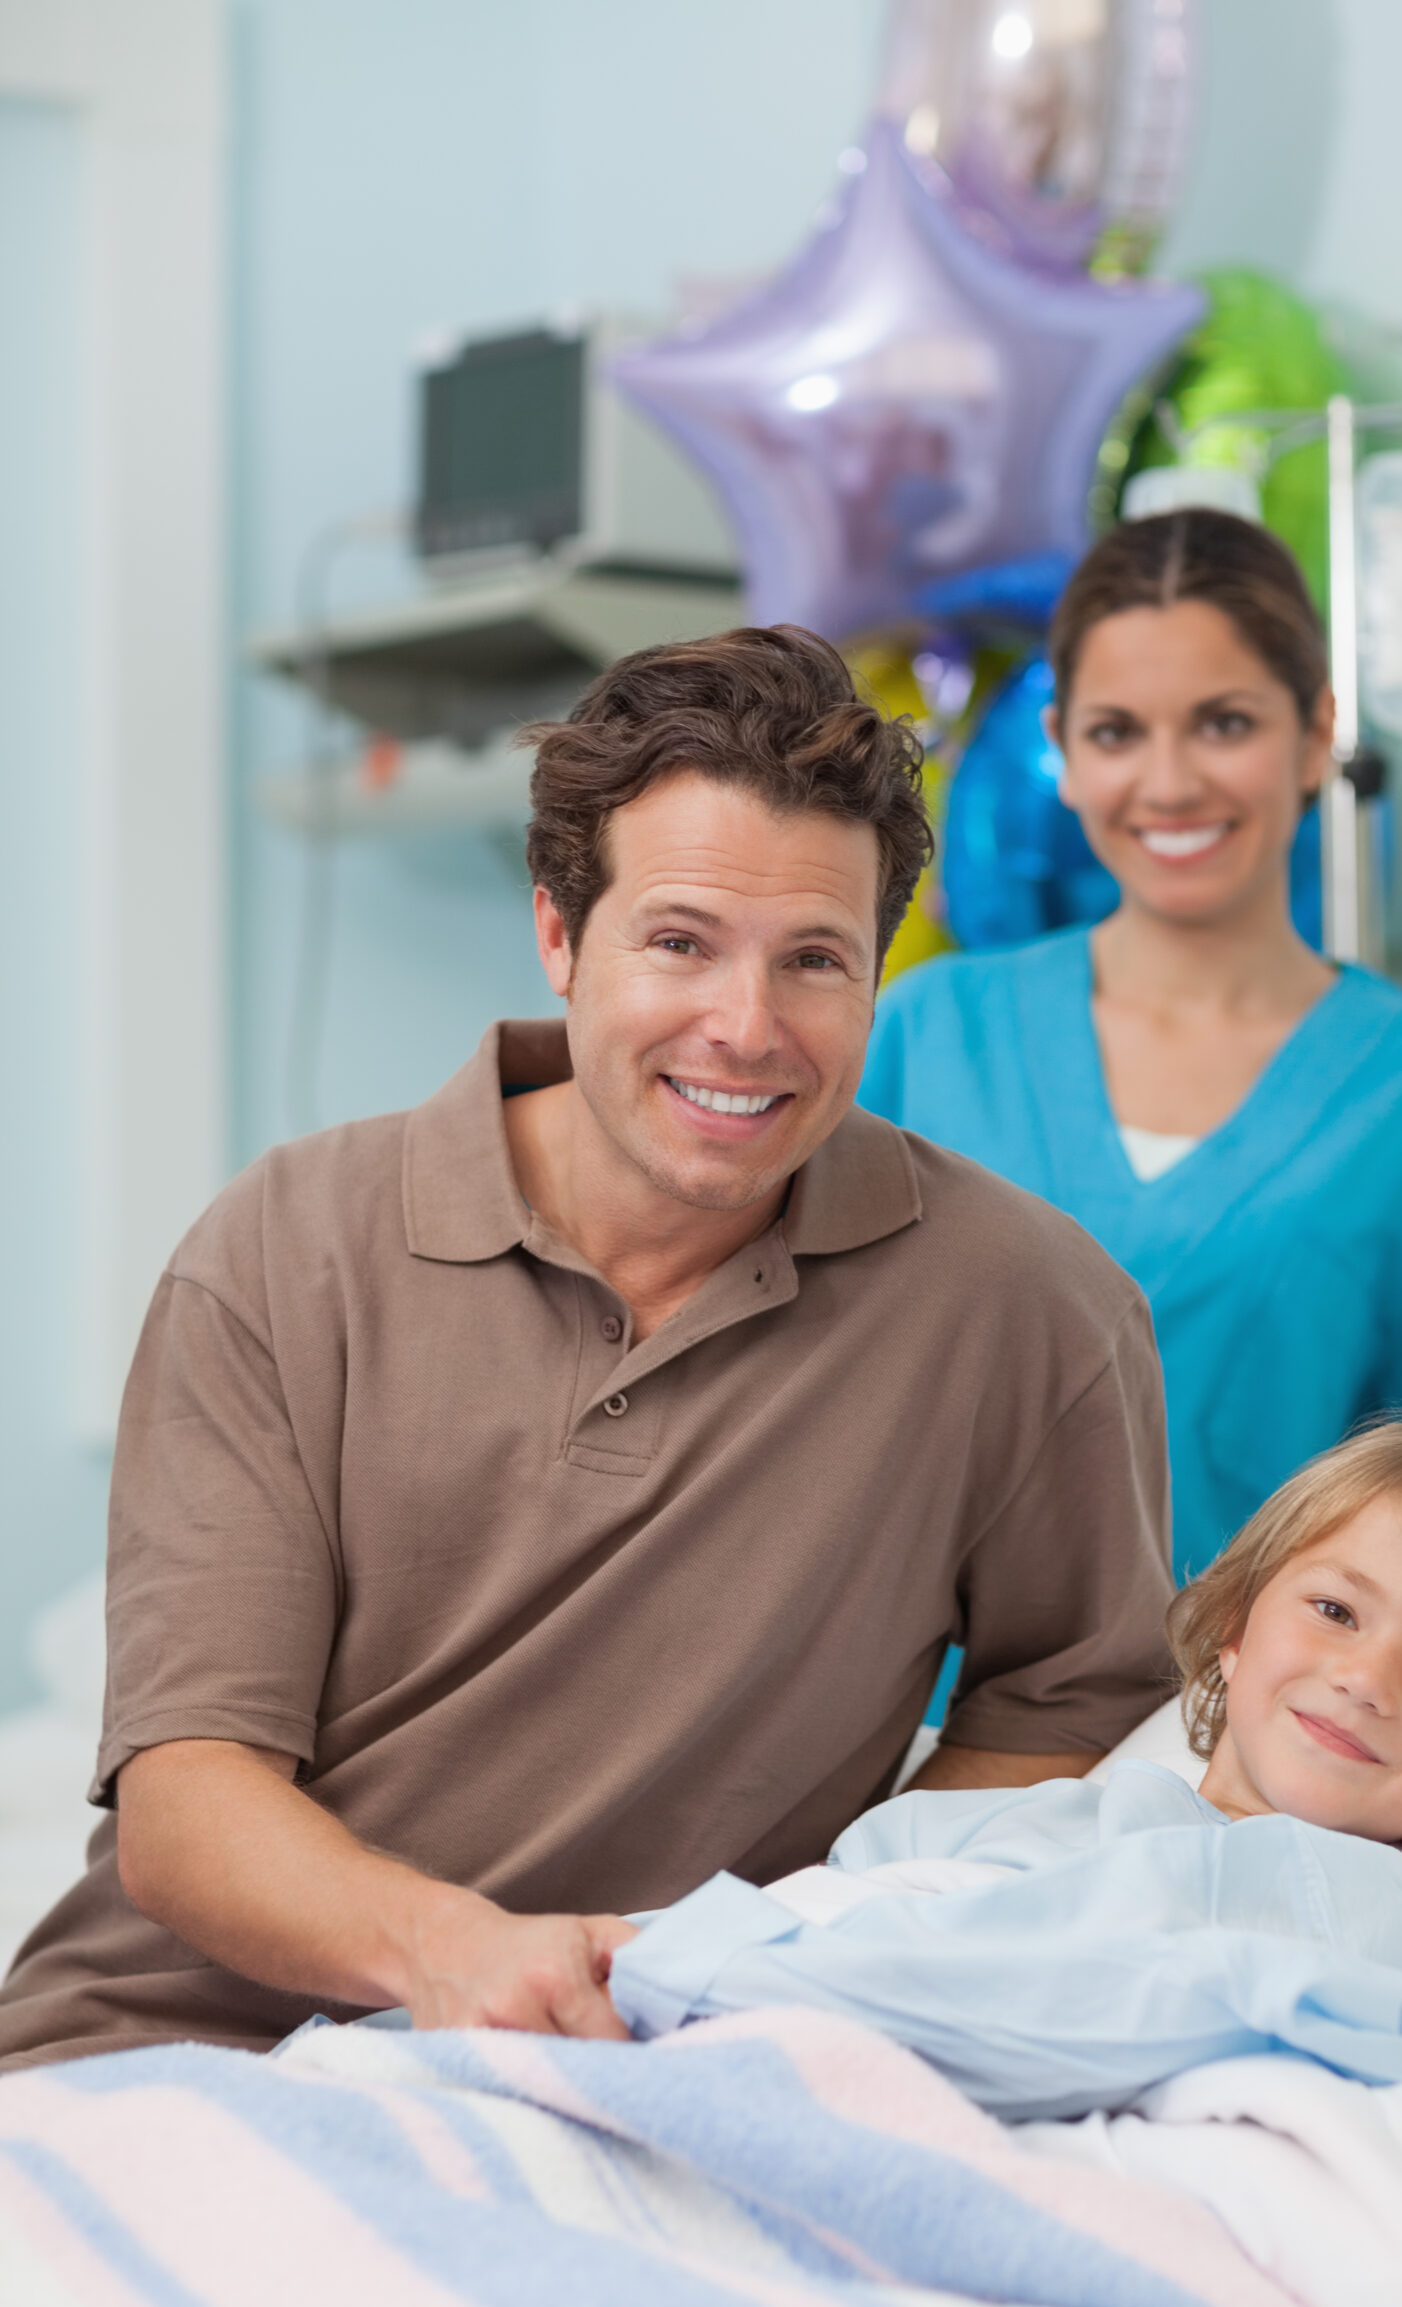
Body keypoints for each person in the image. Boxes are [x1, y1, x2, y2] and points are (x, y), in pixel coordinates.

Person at [0, 626, 1176, 2076]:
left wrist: (818, 1938)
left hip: (640, 2059)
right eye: (678, 942)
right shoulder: (282, 1252)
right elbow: (187, 1805)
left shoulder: (1029, 1315)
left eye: (813, 960)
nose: (744, 1030)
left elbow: (1074, 1705)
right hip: (174, 2048)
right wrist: (457, 1953)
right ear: (560, 936)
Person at [858, 511, 1402, 1581]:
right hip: (908, 1726)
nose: (1171, 781)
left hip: (1254, 1735)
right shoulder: (924, 1035)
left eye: (1224, 723)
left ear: (1316, 735)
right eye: (1116, 731)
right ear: (1062, 752)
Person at [538, 1417, 1402, 2121]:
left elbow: (1110, 2012)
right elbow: (845, 1898)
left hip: (783, 2051)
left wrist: (706, 1980)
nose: (1369, 1679)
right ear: (1233, 1626)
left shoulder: (1348, 1894)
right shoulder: (1018, 1816)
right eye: (1334, 1610)